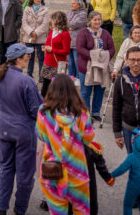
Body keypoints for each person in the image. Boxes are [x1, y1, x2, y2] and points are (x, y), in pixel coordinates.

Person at [0, 43, 42, 215]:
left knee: (5, 169)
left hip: (4, 128)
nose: (29, 57)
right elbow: (36, 110)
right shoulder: (26, 81)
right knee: (25, 175)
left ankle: (1, 207)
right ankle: (19, 210)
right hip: (23, 131)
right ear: (18, 59)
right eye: (26, 55)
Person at [35, 74, 94, 215]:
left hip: (52, 171)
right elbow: (88, 138)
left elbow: (41, 135)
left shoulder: (43, 112)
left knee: (57, 211)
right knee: (81, 210)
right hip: (77, 171)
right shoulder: (82, 112)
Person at [76, 11, 115, 119]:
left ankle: (96, 112)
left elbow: (112, 48)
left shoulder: (106, 33)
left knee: (99, 90)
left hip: (101, 67)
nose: (97, 22)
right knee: (86, 91)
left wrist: (104, 57)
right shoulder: (84, 33)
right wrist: (94, 57)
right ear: (90, 21)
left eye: (99, 19)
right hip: (86, 66)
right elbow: (80, 48)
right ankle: (85, 112)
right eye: (95, 20)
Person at [110, 129, 140, 215]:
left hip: (133, 186)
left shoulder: (132, 157)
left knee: (127, 205)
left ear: (133, 142)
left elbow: (121, 169)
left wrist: (111, 175)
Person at [42, 11, 71, 96]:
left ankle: (56, 105)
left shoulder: (65, 34)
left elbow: (66, 51)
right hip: (48, 62)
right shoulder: (52, 30)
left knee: (57, 87)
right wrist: (45, 47)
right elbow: (48, 42)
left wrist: (53, 50)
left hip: (59, 64)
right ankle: (43, 104)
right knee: (45, 85)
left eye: (53, 20)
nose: (51, 21)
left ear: (58, 21)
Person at [22, 0, 50, 80]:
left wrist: (36, 33)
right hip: (29, 37)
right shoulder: (27, 9)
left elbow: (45, 24)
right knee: (30, 56)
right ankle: (29, 74)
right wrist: (31, 32)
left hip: (40, 38)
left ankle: (41, 76)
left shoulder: (45, 10)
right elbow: (24, 22)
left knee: (41, 57)